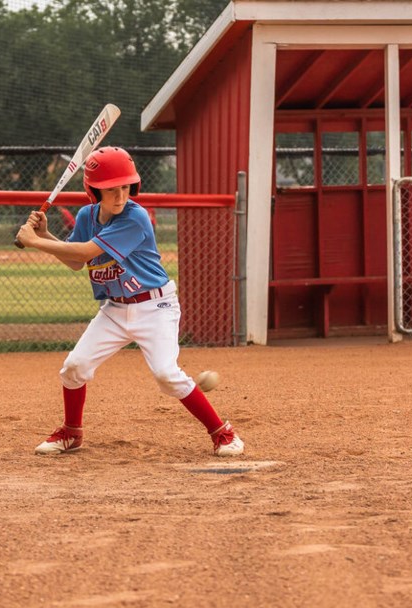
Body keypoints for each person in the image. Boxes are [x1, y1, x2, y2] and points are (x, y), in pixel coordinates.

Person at [15, 146, 243, 457]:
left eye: (125, 186)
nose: (120, 195)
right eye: (111, 188)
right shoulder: (87, 216)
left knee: (166, 375)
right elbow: (75, 261)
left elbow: (84, 253)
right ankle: (71, 432)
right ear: (95, 190)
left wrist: (34, 242)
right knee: (73, 368)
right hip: (115, 309)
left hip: (155, 308)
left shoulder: (135, 218)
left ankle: (223, 433)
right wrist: (48, 235)